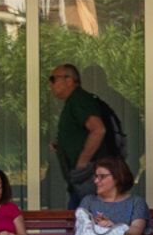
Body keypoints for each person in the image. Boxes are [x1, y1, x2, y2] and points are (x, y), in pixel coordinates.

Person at [45, 63, 127, 208]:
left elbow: (98, 129)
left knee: (85, 222)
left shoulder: (79, 100)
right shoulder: (73, 102)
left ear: (69, 80)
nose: (50, 84)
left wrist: (82, 164)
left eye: (53, 79)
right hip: (85, 179)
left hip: (88, 179)